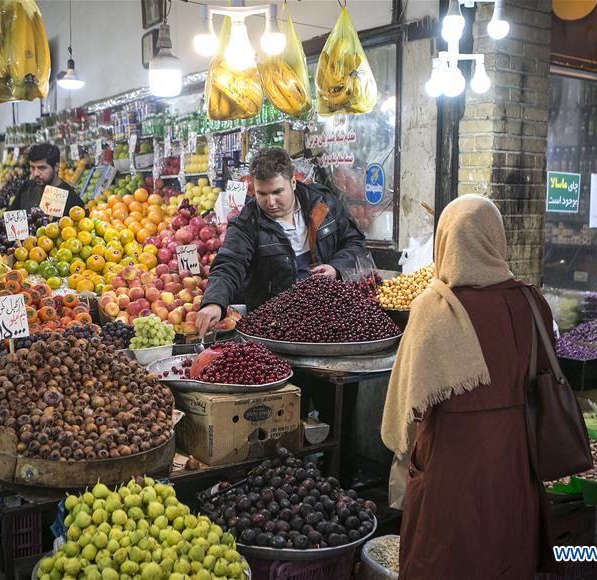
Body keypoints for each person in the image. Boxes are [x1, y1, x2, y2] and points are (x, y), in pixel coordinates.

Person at [382, 194, 553, 579]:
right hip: (513, 452)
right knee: (505, 549)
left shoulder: (434, 307)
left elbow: (410, 399)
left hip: (450, 458)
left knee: (443, 553)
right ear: (497, 239)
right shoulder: (532, 302)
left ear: (445, 241)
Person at [196, 148, 369, 334]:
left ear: (293, 182)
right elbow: (229, 264)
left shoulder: (323, 203)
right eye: (262, 194)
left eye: (277, 191)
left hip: (330, 319)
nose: (270, 202)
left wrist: (336, 268)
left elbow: (355, 242)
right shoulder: (246, 223)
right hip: (275, 327)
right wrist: (214, 302)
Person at [8, 142, 84, 216]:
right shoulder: (26, 187)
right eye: (32, 167)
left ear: (56, 167)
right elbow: (11, 217)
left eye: (42, 168)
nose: (36, 173)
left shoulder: (72, 199)